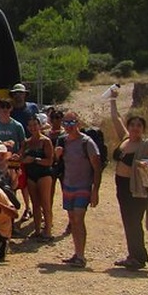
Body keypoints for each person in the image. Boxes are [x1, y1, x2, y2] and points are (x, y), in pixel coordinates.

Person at [108, 87, 148, 269]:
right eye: (132, 125)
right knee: (127, 220)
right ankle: (134, 255)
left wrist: (146, 165)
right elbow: (115, 119)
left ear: (143, 129)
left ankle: (138, 257)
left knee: (133, 221)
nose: (135, 128)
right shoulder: (124, 140)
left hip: (137, 188)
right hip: (122, 185)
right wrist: (113, 100)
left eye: (139, 126)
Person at [54, 111, 102, 268]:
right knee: (73, 220)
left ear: (78, 123)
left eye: (71, 122)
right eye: (66, 123)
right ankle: (77, 252)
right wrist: (57, 155)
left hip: (83, 186)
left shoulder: (87, 142)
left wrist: (95, 190)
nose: (69, 126)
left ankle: (81, 256)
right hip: (68, 185)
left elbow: (97, 167)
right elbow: (58, 163)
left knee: (79, 219)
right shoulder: (63, 142)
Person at [21, 116, 55, 241]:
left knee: (45, 203)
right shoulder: (26, 142)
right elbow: (21, 158)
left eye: (35, 124)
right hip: (31, 175)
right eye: (31, 125)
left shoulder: (46, 141)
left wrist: (34, 160)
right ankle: (36, 230)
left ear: (40, 125)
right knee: (35, 203)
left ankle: (48, 231)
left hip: (44, 174)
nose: (33, 128)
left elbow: (50, 160)